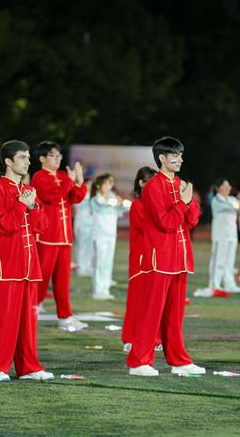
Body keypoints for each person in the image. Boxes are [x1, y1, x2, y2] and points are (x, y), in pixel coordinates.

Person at [125, 137, 205, 377]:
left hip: (179, 259)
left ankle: (179, 360)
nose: (180, 159)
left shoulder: (180, 183)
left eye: (181, 155)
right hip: (160, 259)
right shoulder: (153, 187)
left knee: (175, 315)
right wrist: (183, 203)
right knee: (151, 313)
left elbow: (192, 221)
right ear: (162, 158)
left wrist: (188, 203)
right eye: (175, 155)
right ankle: (139, 361)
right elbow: (166, 222)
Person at [0, 140, 53, 382]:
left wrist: (32, 206)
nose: (28, 161)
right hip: (6, 267)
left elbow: (43, 226)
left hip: (28, 266)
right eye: (22, 157)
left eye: (28, 157)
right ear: (9, 162)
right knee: (2, 320)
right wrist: (22, 205)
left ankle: (28, 367)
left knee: (27, 323)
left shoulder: (28, 190)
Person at [31, 141, 88, 332]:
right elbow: (51, 196)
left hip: (64, 237)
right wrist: (70, 181)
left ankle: (65, 316)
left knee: (63, 280)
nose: (58, 159)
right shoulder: (39, 177)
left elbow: (76, 197)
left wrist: (79, 181)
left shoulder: (64, 176)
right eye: (53, 156)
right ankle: (32, 307)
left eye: (59, 156)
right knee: (42, 276)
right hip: (47, 235)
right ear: (42, 158)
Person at [122, 166, 157, 351]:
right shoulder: (138, 205)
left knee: (153, 301)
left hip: (156, 258)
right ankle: (130, 337)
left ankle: (154, 338)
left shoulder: (155, 204)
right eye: (150, 183)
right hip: (140, 258)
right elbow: (149, 227)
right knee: (137, 299)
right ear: (142, 184)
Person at [201, 178, 240, 296]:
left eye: (229, 185)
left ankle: (229, 284)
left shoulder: (232, 199)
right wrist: (235, 206)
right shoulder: (216, 200)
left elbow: (239, 207)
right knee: (218, 261)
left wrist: (236, 205)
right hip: (220, 236)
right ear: (219, 188)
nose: (229, 187)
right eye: (226, 185)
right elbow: (228, 207)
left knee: (230, 262)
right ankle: (215, 285)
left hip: (232, 235)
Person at [90, 173, 128, 300]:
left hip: (111, 235)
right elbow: (103, 204)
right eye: (106, 183)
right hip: (99, 235)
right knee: (99, 263)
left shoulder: (113, 198)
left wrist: (122, 204)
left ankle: (105, 289)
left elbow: (123, 209)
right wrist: (116, 202)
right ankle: (98, 290)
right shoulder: (96, 199)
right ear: (100, 185)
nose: (109, 186)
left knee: (108, 263)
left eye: (111, 183)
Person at [73, 180, 94, 277]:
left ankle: (88, 266)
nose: (90, 186)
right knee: (82, 246)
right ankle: (81, 267)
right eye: (89, 184)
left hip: (90, 225)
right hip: (81, 223)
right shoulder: (80, 194)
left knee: (90, 247)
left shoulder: (93, 196)